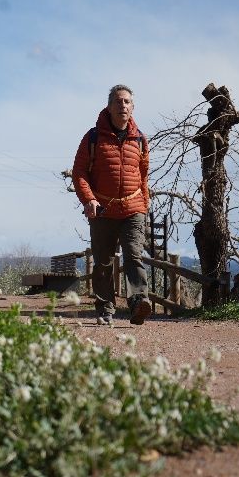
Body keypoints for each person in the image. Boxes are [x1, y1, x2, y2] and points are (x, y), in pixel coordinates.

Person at [72, 84, 152, 325]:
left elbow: (144, 175)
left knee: (133, 256)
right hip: (103, 210)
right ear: (109, 106)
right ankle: (106, 309)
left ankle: (139, 302)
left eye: (127, 101)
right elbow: (79, 173)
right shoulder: (93, 137)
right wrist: (89, 200)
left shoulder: (139, 139)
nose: (123, 105)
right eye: (118, 101)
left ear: (133, 107)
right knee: (104, 263)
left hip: (133, 209)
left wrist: (144, 205)